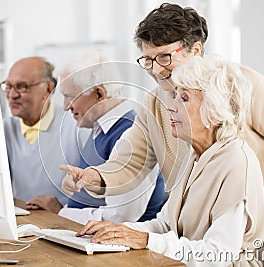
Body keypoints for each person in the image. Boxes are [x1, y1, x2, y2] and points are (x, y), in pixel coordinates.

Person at [61, 3, 264, 234]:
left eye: (164, 57)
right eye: (148, 60)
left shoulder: (242, 85)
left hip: (254, 232)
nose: (157, 69)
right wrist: (93, 176)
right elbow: (130, 162)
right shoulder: (153, 103)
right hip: (191, 239)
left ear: (196, 49)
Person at [75, 55, 264, 266]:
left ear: (215, 111)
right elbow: (165, 225)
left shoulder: (237, 162)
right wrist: (120, 231)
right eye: (175, 96)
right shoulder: (194, 155)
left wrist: (146, 240)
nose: (170, 107)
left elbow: (217, 254)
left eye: (184, 98)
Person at [27, 51, 165, 224]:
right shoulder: (100, 129)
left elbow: (118, 218)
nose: (65, 106)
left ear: (99, 94)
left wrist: (60, 211)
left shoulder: (129, 134)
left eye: (70, 96)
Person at [0, 57, 82, 209]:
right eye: (8, 86)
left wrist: (61, 208)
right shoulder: (3, 128)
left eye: (22, 87)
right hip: (21, 221)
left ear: (48, 89)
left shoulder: (75, 124)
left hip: (63, 222)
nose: (12, 95)